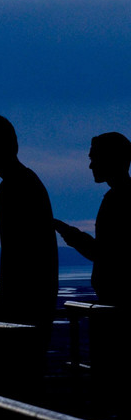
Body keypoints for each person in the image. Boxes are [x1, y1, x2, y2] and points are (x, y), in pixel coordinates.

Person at [0, 115, 58, 388]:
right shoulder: (26, 183)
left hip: (23, 312)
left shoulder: (14, 187)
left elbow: (18, 257)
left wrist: (6, 306)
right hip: (33, 309)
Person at [54, 132, 131, 309]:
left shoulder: (119, 199)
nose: (90, 166)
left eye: (95, 158)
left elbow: (104, 254)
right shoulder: (115, 197)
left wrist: (65, 231)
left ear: (111, 159)